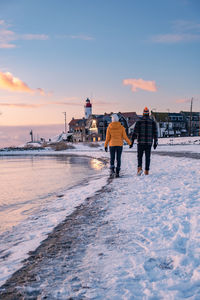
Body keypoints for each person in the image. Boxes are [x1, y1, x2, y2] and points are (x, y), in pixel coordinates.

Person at [130, 107, 158, 175]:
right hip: (149, 142)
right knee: (147, 157)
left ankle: (139, 168)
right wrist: (155, 142)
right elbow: (155, 133)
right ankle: (146, 171)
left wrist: (132, 141)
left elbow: (135, 132)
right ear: (148, 114)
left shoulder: (139, 122)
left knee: (139, 156)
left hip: (140, 142)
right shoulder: (152, 122)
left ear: (143, 113)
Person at [104, 113, 132, 178]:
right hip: (119, 145)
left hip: (112, 145)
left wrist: (105, 146)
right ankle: (117, 172)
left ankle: (112, 171)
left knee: (112, 158)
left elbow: (107, 138)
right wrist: (129, 143)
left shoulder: (109, 127)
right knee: (118, 158)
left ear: (112, 120)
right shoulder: (121, 127)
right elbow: (125, 137)